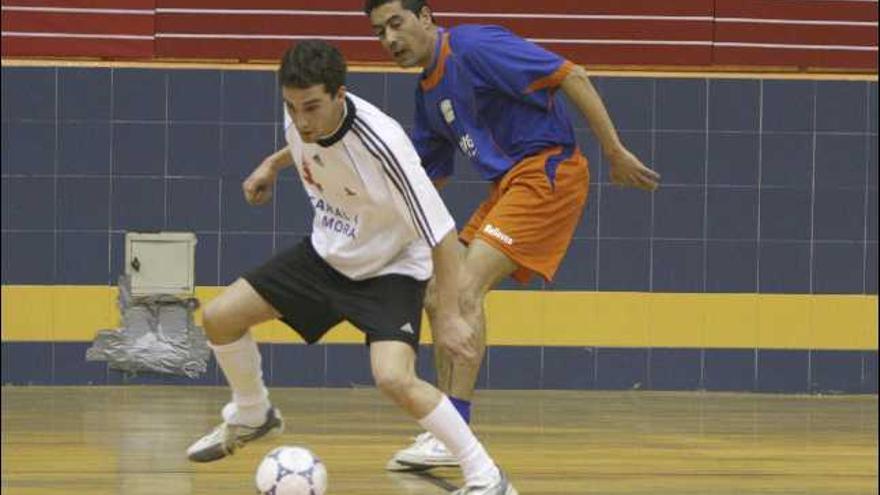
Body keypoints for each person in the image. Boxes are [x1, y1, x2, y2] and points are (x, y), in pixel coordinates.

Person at [185, 40, 518, 495]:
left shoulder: (385, 145)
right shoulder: (300, 117)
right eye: (292, 107)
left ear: (340, 95)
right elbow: (306, 141)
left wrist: (449, 316)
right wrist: (272, 164)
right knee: (219, 318)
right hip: (328, 255)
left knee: (394, 378)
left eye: (312, 108)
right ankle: (252, 413)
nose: (301, 120)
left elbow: (441, 233)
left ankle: (487, 477)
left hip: (392, 269)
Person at [365, 0, 661, 471]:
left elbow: (572, 75)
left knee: (462, 291)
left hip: (548, 172)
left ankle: (454, 433)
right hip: (508, 186)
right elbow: (426, 177)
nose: (390, 40)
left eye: (397, 24)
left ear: (426, 17)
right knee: (439, 292)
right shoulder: (427, 92)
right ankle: (443, 429)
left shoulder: (475, 47)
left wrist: (614, 151)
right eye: (380, 32)